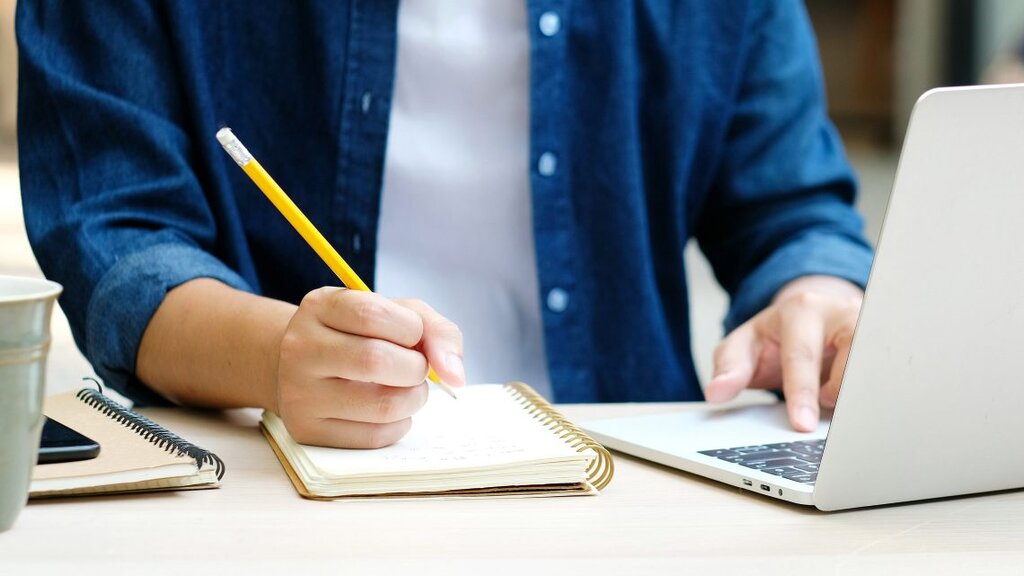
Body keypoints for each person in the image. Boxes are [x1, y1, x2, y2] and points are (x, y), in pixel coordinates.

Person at [17, 1, 873, 449]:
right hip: (277, 483)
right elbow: (116, 236)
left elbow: (790, 206)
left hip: (629, 481)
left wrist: (820, 298)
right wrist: (273, 357)